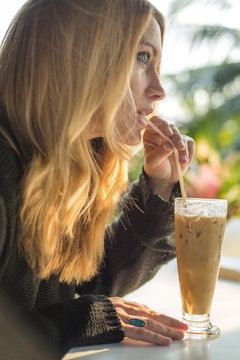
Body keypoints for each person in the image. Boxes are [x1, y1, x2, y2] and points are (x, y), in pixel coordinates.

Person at [0, 0, 195, 358]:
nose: (159, 90)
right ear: (82, 58)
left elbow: (92, 280)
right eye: (142, 57)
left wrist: (160, 186)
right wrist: (81, 318)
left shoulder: (67, 166)